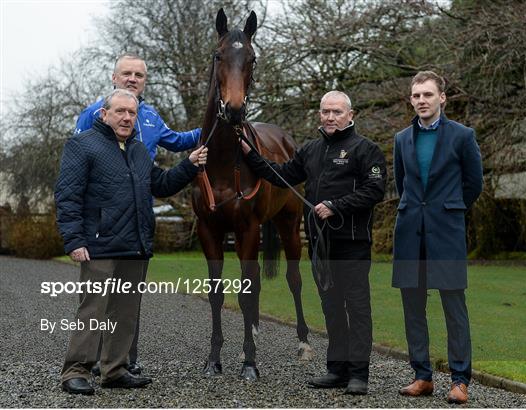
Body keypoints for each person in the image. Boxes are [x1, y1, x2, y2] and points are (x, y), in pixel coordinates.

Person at [55, 89, 207, 395]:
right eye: (120, 111)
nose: (127, 117)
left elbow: (161, 185)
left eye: (132, 113)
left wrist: (189, 164)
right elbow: (67, 196)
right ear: (104, 114)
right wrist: (74, 240)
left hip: (135, 245)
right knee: (92, 310)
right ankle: (75, 371)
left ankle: (114, 369)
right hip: (97, 246)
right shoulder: (81, 146)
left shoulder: (138, 150)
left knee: (124, 313)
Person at [241, 91, 386, 395]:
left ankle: (359, 374)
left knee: (357, 308)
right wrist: (250, 154)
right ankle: (337, 370)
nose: (330, 117)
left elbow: (375, 191)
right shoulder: (311, 150)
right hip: (321, 245)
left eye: (336, 112)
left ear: (351, 115)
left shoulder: (366, 150)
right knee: (331, 307)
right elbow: (280, 176)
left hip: (352, 242)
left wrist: (337, 205)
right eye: (325, 112)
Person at [76, 52, 201, 374]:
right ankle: (84, 365)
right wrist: (77, 231)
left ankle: (120, 363)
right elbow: (76, 171)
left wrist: (212, 125)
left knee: (127, 303)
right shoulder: (93, 114)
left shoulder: (150, 117)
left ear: (145, 81)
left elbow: (177, 142)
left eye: (139, 75)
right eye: (127, 73)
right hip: (104, 224)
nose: (133, 79)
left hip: (139, 222)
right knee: (97, 302)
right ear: (114, 77)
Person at [392, 71, 483, 404]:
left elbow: (474, 184)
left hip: (447, 234)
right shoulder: (401, 139)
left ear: (442, 98)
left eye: (427, 95)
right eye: (416, 96)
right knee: (413, 308)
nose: (421, 101)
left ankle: (460, 380)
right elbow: (403, 185)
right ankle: (422, 376)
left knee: (454, 309)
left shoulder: (462, 136)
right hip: (409, 233)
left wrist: (450, 209)